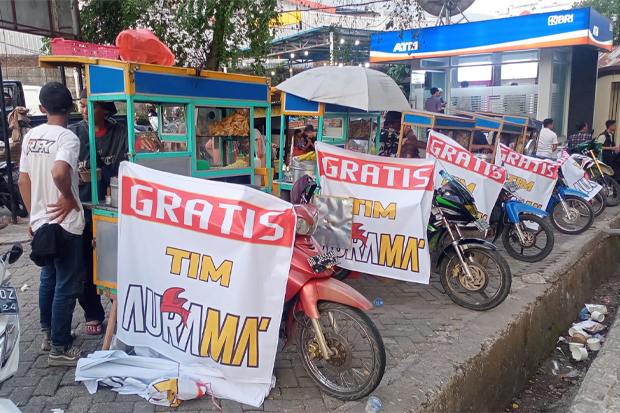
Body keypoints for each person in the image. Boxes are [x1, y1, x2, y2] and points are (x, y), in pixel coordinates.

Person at [69, 89, 156, 336]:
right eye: (82, 105)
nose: (84, 110)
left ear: (105, 110)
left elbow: (139, 144)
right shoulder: (74, 134)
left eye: (90, 106)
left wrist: (144, 143)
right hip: (83, 208)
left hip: (115, 209)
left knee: (117, 261)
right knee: (86, 266)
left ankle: (121, 309)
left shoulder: (120, 132)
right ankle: (93, 313)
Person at [18, 82, 85, 366]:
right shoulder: (67, 137)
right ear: (70, 107)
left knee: (48, 278)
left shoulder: (30, 136)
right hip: (66, 222)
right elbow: (60, 172)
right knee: (67, 285)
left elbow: (24, 180)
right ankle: (60, 348)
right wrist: (68, 196)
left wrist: (34, 215)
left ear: (42, 108)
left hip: (43, 222)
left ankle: (48, 335)